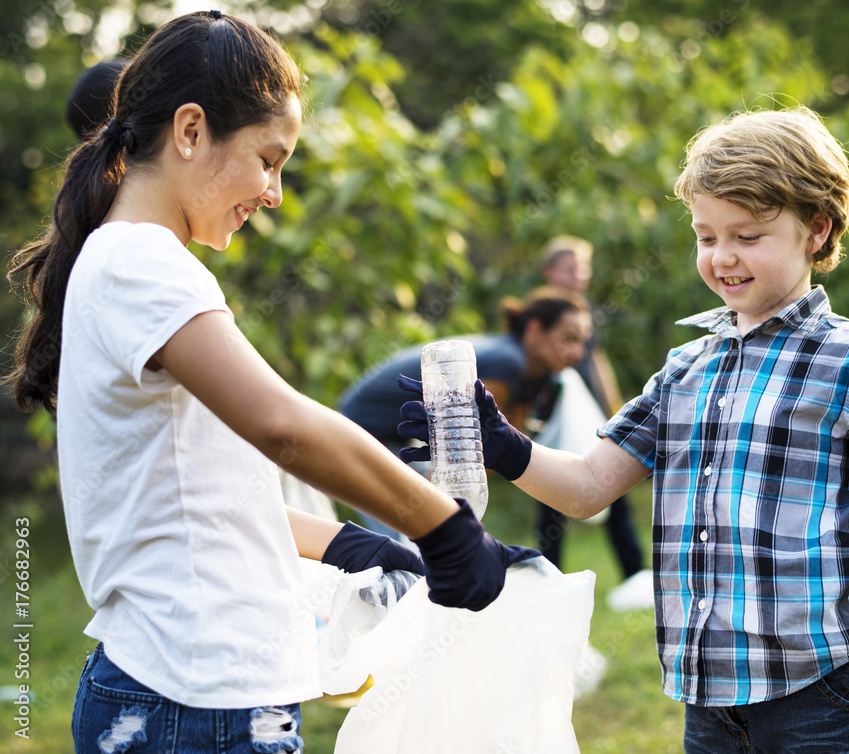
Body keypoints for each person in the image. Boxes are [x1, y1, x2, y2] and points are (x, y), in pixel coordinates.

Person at [4, 11, 531, 752]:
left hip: (184, 694)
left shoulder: (129, 261)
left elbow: (205, 501)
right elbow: (283, 425)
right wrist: (440, 528)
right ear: (191, 132)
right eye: (268, 158)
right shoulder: (141, 264)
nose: (275, 191)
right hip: (194, 704)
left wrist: (361, 545)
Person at [398, 107, 849, 753]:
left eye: (748, 235)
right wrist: (500, 442)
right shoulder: (686, 368)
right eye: (707, 237)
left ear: (816, 231)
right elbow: (591, 486)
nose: (723, 257)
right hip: (707, 704)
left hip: (825, 693)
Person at [339, 286, 591, 539]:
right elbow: (463, 451)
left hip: (393, 437)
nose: (578, 353)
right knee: (411, 540)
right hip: (359, 431)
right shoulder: (508, 363)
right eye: (570, 338)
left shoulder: (535, 374)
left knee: (429, 533)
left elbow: (494, 453)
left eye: (582, 341)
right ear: (535, 330)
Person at [535, 236, 651, 610]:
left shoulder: (583, 309)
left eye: (583, 268)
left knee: (612, 487)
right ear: (550, 271)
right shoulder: (541, 312)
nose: (578, 275)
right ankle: (547, 582)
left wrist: (614, 407)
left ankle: (635, 574)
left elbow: (597, 360)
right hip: (556, 417)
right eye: (570, 268)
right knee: (551, 494)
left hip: (589, 417)